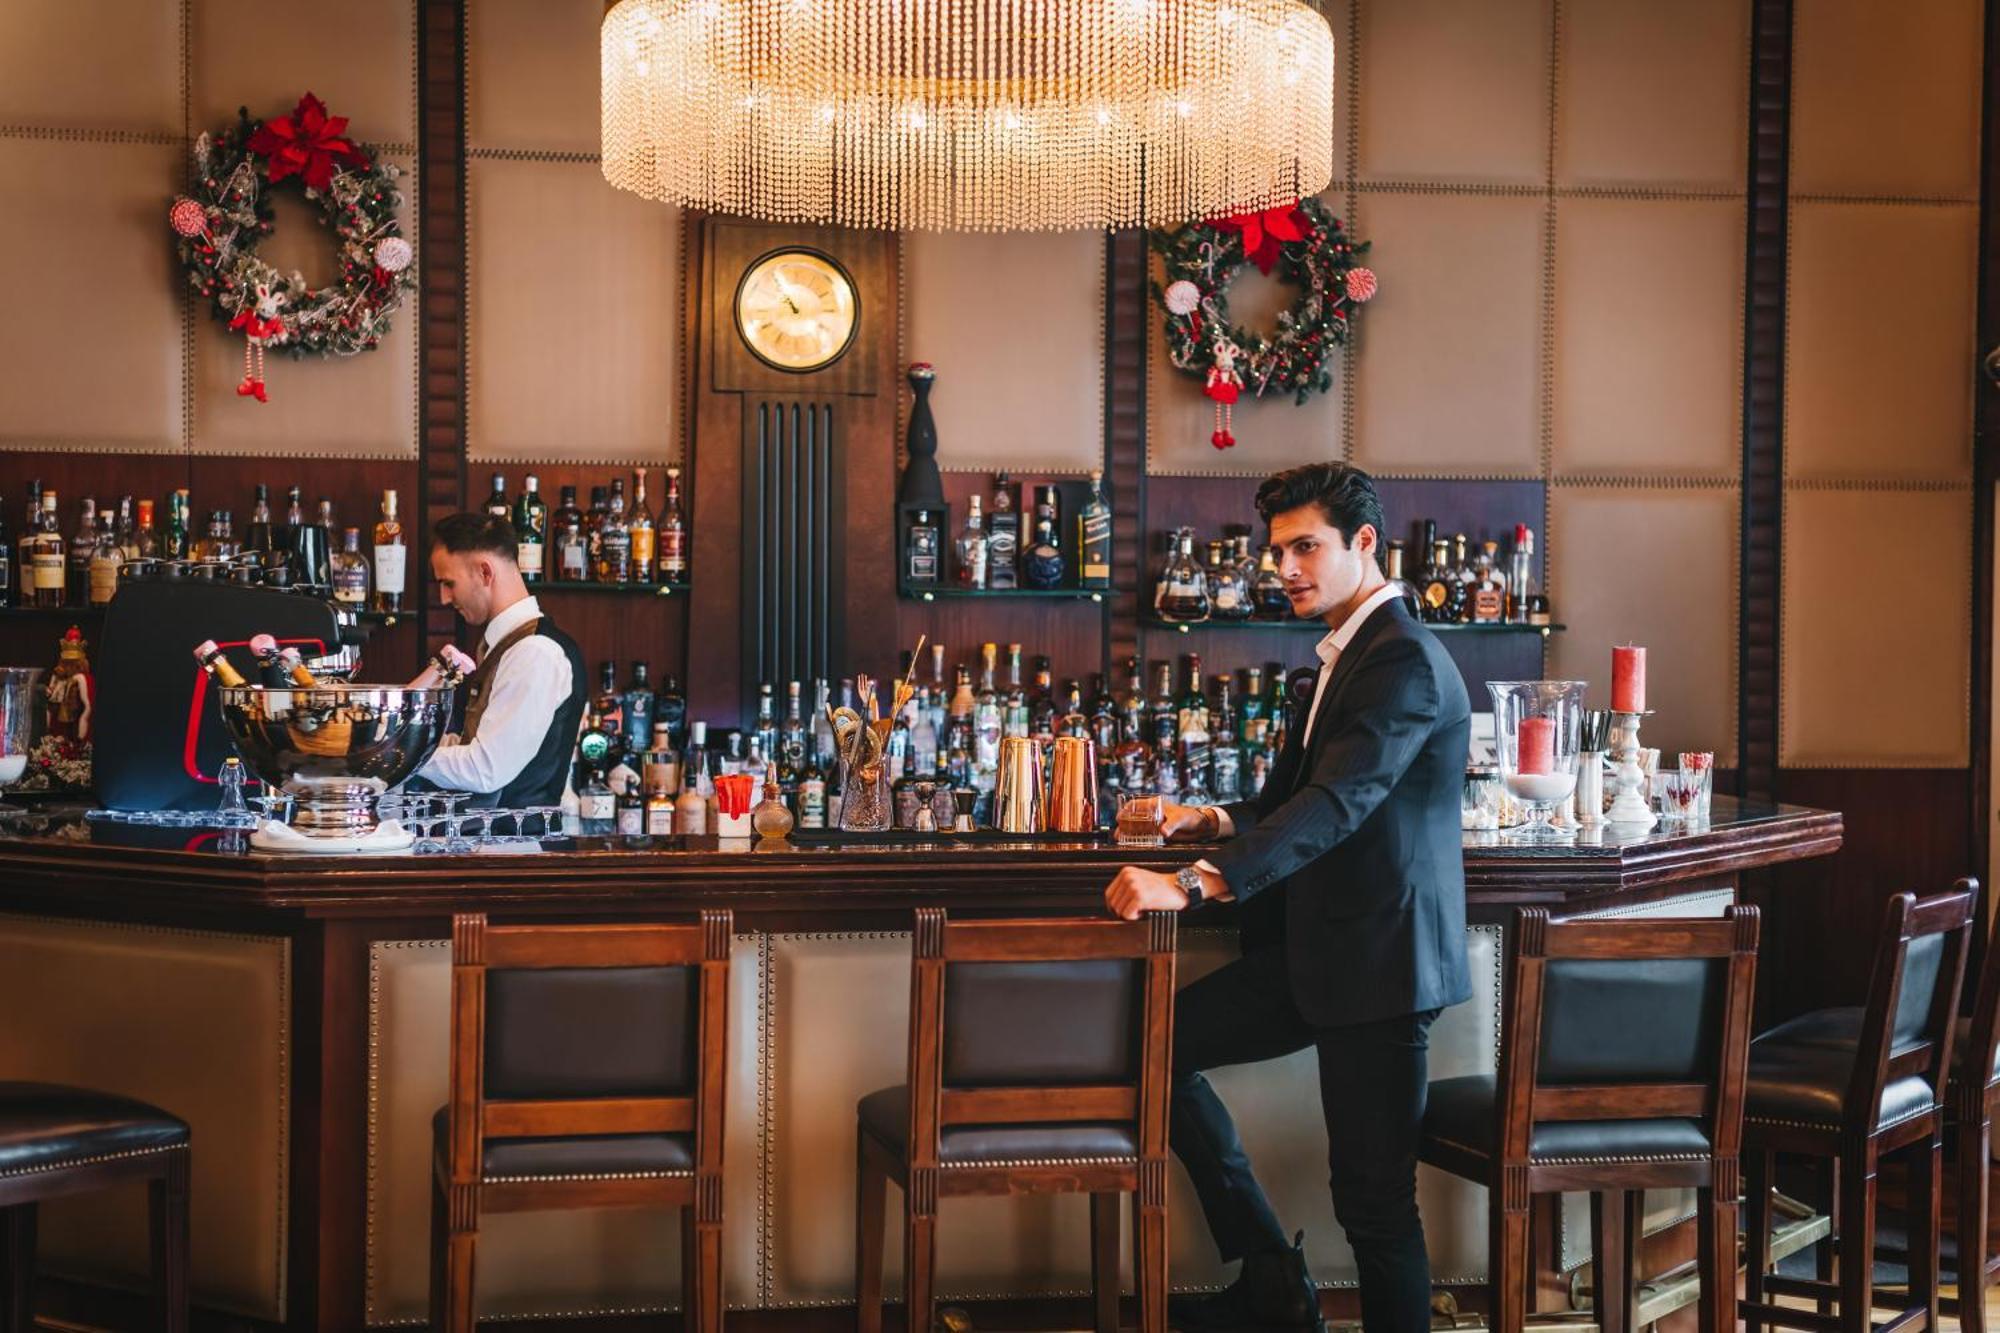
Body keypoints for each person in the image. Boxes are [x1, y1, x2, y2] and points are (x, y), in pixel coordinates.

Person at [1103, 463, 1471, 1333]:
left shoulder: (1405, 659)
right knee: (1155, 1049)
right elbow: (1295, 795)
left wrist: (1192, 884)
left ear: (1365, 544)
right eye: (1278, 552)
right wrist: (1211, 817)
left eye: (1306, 546)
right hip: (1313, 954)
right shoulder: (1347, 653)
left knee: (1376, 1208)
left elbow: (1340, 803)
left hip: (1379, 966)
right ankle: (1272, 1274)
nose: (1287, 568)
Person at [411, 512, 586, 807]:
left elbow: (486, 769)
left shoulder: (535, 652)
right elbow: (477, 747)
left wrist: (405, 753)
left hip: (517, 847)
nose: (443, 598)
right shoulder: (508, 645)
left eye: (449, 583)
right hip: (492, 844)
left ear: (485, 573)